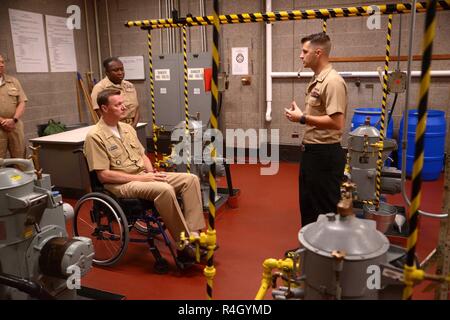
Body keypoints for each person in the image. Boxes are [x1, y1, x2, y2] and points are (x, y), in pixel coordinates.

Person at [84, 89, 205, 261]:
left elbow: (142, 155)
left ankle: (194, 234)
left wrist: (151, 173)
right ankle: (183, 245)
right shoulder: (95, 136)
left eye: (122, 102)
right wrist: (144, 178)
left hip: (142, 176)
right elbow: (104, 176)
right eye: (118, 104)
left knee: (190, 179)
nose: (124, 107)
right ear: (104, 108)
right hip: (120, 185)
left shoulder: (127, 129)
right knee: (164, 190)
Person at [285, 33, 347, 227]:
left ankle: (326, 255)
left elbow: (337, 122)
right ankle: (310, 252)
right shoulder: (318, 79)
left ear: (318, 52)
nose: (301, 56)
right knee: (309, 206)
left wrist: (302, 118)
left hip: (325, 155)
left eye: (305, 51)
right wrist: (302, 114)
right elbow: (322, 115)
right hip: (312, 153)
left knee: (324, 210)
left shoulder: (332, 81)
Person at [91, 57, 140, 127]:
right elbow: (100, 112)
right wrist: (115, 128)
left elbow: (136, 108)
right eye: (115, 70)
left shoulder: (129, 85)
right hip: (114, 127)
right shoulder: (100, 88)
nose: (120, 73)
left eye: (121, 69)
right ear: (107, 73)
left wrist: (134, 125)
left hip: (132, 126)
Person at [0, 53, 27, 159]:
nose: (1, 65)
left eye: (2, 62)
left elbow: (22, 102)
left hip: (15, 127)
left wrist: (14, 120)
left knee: (20, 159)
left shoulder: (13, 81)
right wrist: (2, 121)